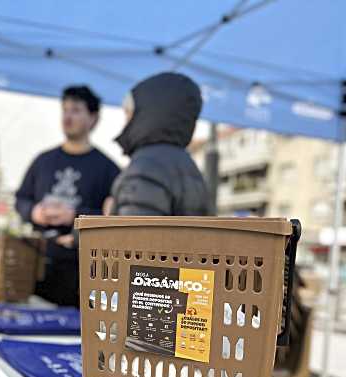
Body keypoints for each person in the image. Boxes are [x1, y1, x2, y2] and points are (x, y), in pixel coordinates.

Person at [15, 85, 120, 307]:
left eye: (76, 110)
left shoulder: (109, 170)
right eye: (65, 110)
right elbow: (21, 199)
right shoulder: (43, 161)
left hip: (83, 275)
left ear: (93, 118)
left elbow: (117, 219)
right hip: (38, 267)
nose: (67, 117)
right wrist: (34, 212)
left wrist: (76, 216)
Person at [110, 72, 211, 216]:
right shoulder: (187, 165)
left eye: (128, 114)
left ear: (145, 114)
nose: (125, 123)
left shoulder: (146, 167)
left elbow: (133, 234)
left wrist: (102, 222)